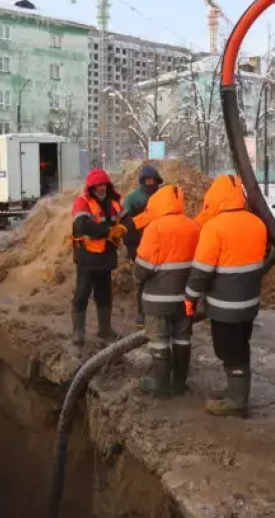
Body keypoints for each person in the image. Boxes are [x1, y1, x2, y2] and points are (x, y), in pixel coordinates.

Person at [185, 174, 268, 418]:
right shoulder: (257, 223)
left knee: (228, 349)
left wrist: (190, 298)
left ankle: (236, 400)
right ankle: (235, 390)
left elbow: (201, 271)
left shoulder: (214, 227)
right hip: (249, 303)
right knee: (240, 346)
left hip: (224, 305)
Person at [132, 184, 200, 398]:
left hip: (157, 299)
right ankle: (179, 383)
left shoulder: (155, 228)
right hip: (186, 298)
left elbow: (143, 268)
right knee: (182, 338)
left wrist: (137, 278)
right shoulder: (193, 226)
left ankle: (161, 386)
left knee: (159, 340)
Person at [70, 168, 126, 346]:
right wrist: (108, 231)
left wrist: (123, 228)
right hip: (87, 256)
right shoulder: (82, 201)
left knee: (104, 293)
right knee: (82, 293)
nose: (101, 188)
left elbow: (127, 220)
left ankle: (105, 329)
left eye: (104, 184)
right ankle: (78, 332)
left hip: (106, 256)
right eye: (97, 185)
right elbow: (82, 225)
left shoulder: (115, 202)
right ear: (91, 186)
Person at [121, 164, 163, 327]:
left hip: (161, 245)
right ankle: (141, 313)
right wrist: (131, 246)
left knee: (161, 279)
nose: (150, 183)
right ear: (142, 181)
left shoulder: (162, 196)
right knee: (143, 279)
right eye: (147, 180)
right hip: (140, 245)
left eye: (153, 180)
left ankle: (158, 312)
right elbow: (125, 223)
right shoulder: (133, 199)